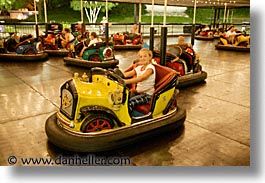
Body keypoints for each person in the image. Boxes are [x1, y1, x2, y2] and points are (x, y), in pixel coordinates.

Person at [123, 48, 156, 115]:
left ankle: (129, 121)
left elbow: (141, 78)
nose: (142, 58)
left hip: (147, 95)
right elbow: (126, 74)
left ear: (150, 57)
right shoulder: (139, 67)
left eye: (145, 56)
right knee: (122, 100)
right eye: (141, 56)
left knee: (130, 103)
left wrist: (125, 81)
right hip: (138, 92)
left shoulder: (150, 68)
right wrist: (115, 74)